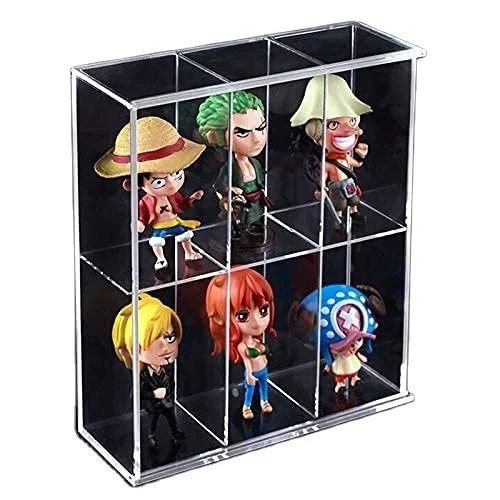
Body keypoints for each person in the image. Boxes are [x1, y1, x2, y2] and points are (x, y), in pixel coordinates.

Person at [95, 116, 205, 272]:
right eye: (159, 182)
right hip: (159, 226)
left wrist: (192, 198)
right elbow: (143, 214)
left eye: (176, 174)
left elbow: (182, 204)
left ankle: (189, 252)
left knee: (186, 236)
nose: (172, 184)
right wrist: (140, 223)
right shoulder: (146, 201)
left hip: (175, 223)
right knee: (157, 242)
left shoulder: (173, 196)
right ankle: (160, 259)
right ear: (135, 184)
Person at [290, 74, 372, 228]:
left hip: (349, 184)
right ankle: (338, 220)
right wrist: (321, 188)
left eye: (352, 121)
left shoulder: (345, 157)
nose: (350, 130)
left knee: (353, 200)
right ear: (316, 132)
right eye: (334, 125)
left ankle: (354, 213)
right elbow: (322, 177)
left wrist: (361, 156)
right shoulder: (327, 163)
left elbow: (357, 164)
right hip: (336, 187)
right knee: (339, 204)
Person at [111, 293, 185, 447]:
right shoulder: (143, 375)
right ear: (135, 348)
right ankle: (151, 436)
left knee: (172, 418)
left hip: (168, 403)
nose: (166, 347)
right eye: (154, 341)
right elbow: (135, 394)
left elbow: (171, 382)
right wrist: (154, 394)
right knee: (152, 421)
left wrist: (169, 395)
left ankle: (175, 432)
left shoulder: (168, 369)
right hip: (153, 406)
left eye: (170, 338)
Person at [196, 91, 271, 239]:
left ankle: (253, 229)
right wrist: (230, 191)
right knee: (241, 221)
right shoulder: (229, 167)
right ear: (217, 137)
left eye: (261, 128)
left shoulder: (255, 163)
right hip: (240, 204)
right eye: (242, 133)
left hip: (256, 201)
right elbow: (219, 185)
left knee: (255, 219)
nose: (257, 139)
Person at [205, 268, 276, 419]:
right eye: (243, 316)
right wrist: (249, 374)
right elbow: (247, 363)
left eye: (263, 310)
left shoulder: (257, 340)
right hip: (253, 372)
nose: (257, 322)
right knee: (250, 390)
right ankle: (246, 407)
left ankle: (264, 401)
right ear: (220, 317)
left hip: (263, 370)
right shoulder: (242, 346)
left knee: (264, 387)